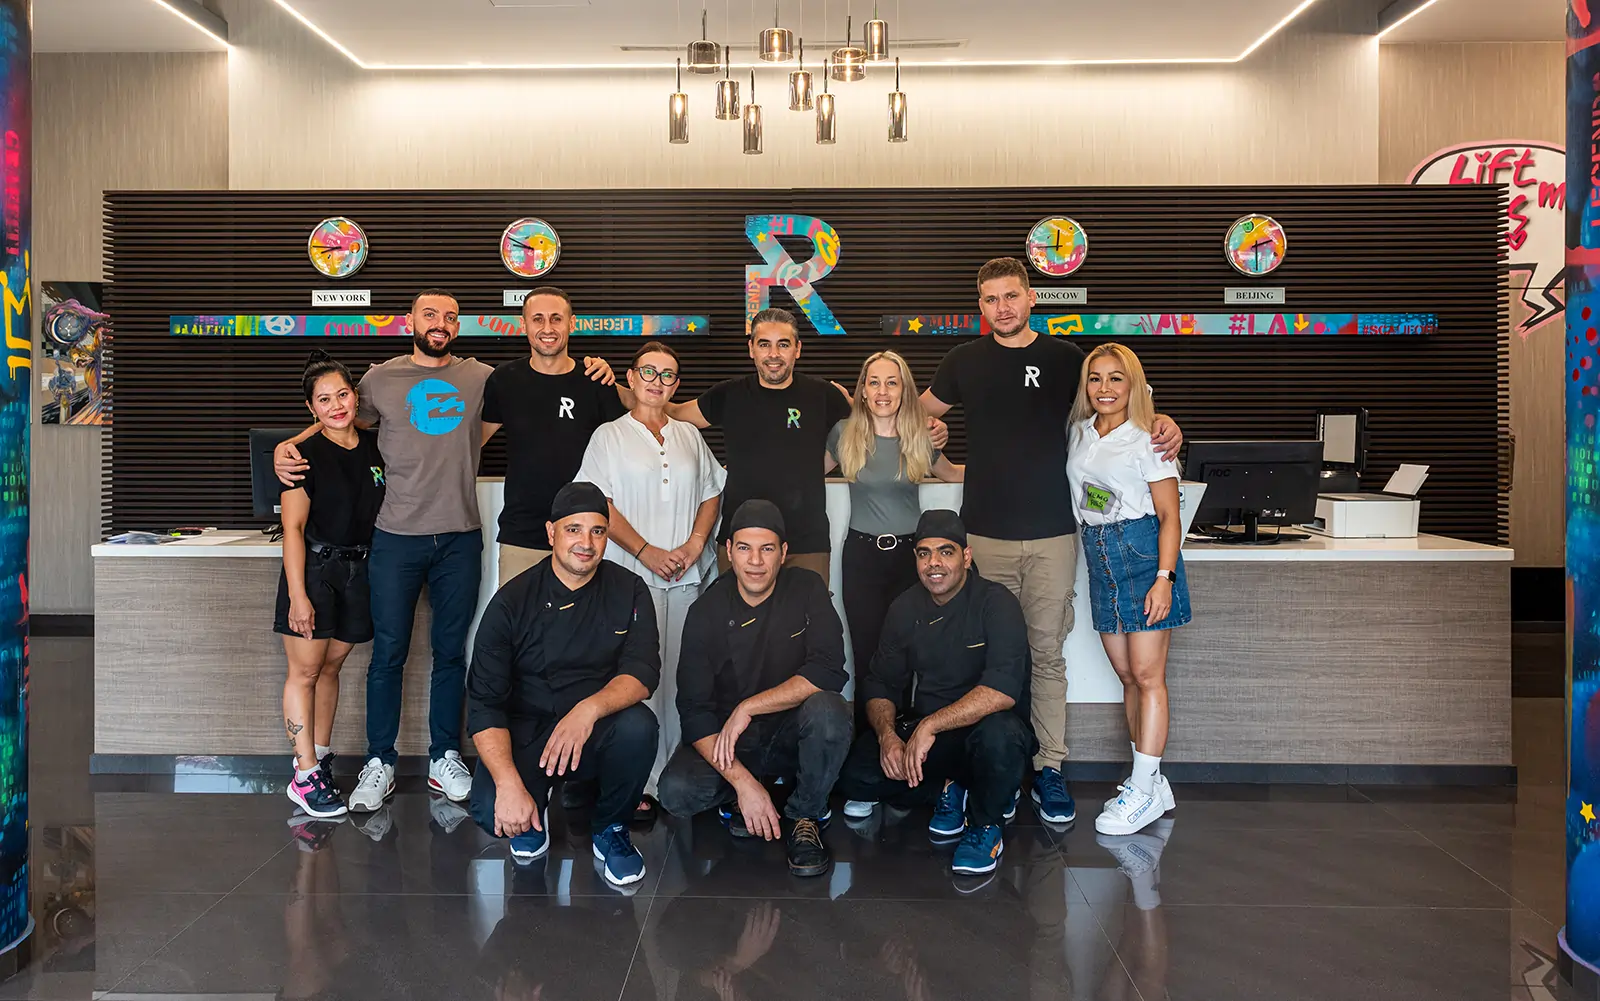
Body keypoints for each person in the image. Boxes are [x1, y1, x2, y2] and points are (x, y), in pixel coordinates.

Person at [274, 289, 614, 813]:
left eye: (450, 317)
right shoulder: (378, 380)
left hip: (459, 535)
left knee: (451, 653)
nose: (440, 323)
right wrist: (288, 446)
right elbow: (334, 416)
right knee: (388, 655)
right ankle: (379, 760)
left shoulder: (483, 378)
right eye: (429, 314)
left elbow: (546, 385)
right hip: (394, 537)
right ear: (410, 320)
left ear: (458, 327)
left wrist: (597, 367)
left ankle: (443, 757)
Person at [920, 257, 1182, 826]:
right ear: (981, 306)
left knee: (1045, 655)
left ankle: (1049, 769)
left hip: (1053, 536)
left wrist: (1167, 425)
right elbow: (914, 418)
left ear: (1031, 297)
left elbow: (1127, 405)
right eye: (990, 299)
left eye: (1011, 296)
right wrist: (940, 453)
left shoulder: (1069, 361)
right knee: (977, 657)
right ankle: (973, 775)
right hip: (983, 536)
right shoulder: (962, 361)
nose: (1002, 308)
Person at [465, 481, 661, 886]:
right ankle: (533, 810)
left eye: (597, 531)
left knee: (639, 726)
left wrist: (587, 711)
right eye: (574, 529)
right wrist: (508, 784)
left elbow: (643, 672)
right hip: (528, 732)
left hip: (593, 730)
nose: (586, 543)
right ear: (552, 532)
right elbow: (484, 703)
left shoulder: (629, 590)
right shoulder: (511, 602)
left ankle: (610, 829)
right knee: (490, 808)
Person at [657, 500, 853, 878]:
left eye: (767, 549)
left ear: (783, 553)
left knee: (831, 712)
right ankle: (745, 795)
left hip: (791, 732)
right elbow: (695, 711)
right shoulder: (707, 611)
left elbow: (830, 670)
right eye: (744, 548)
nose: (756, 562)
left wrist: (748, 707)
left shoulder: (807, 588)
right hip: (734, 744)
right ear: (729, 551)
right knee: (676, 792)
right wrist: (742, 782)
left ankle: (805, 814)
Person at [835, 509, 1035, 876]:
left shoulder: (996, 602)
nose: (934, 564)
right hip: (930, 742)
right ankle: (955, 787)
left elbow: (1002, 690)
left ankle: (985, 825)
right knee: (854, 774)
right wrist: (888, 736)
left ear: (966, 556)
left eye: (946, 552)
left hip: (986, 732)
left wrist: (930, 726)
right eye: (924, 553)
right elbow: (880, 682)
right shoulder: (905, 606)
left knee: (1002, 739)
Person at [576, 340, 725, 818]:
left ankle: (678, 776)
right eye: (649, 372)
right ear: (632, 377)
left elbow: (711, 492)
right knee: (635, 678)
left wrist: (694, 545)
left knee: (684, 675)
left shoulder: (688, 436)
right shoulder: (608, 436)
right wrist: (647, 551)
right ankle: (636, 779)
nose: (657, 382)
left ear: (676, 385)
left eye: (668, 375)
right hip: (629, 577)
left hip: (685, 578)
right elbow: (602, 504)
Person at [622, 307, 852, 586]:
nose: (774, 354)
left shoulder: (823, 394)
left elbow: (862, 429)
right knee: (740, 627)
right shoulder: (729, 394)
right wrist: (613, 386)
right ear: (751, 348)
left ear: (797, 349)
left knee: (805, 627)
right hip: (740, 541)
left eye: (784, 344)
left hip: (806, 543)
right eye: (764, 344)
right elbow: (670, 410)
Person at [1066, 343, 1190, 837]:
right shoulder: (1079, 432)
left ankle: (1142, 790)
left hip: (1141, 554)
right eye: (1095, 379)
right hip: (1099, 556)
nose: (1105, 388)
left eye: (1116, 379)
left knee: (1148, 674)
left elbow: (1169, 516)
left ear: (1134, 384)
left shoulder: (1149, 439)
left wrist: (1165, 578)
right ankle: (1151, 781)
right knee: (1128, 676)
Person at [824, 350, 964, 760]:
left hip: (910, 559)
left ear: (905, 390)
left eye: (892, 382)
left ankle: (904, 746)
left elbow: (952, 474)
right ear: (862, 391)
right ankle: (870, 751)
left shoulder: (921, 434)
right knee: (868, 653)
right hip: (862, 556)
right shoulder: (843, 433)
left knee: (906, 651)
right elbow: (806, 471)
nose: (882, 391)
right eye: (874, 382)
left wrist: (1012, 469)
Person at [276, 350, 384, 819]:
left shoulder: (379, 445)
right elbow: (294, 531)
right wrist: (299, 595)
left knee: (332, 669)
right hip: (315, 573)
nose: (337, 405)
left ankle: (317, 756)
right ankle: (303, 776)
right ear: (312, 408)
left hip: (360, 571)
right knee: (304, 672)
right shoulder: (301, 457)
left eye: (342, 394)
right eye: (325, 399)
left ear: (355, 396)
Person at [483, 286, 627, 586]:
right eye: (538, 319)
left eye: (556, 319)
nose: (547, 328)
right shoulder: (504, 380)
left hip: (587, 533)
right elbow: (471, 442)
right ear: (523, 325)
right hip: (522, 532)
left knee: (584, 628)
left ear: (571, 324)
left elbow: (631, 438)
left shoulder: (595, 380)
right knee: (519, 628)